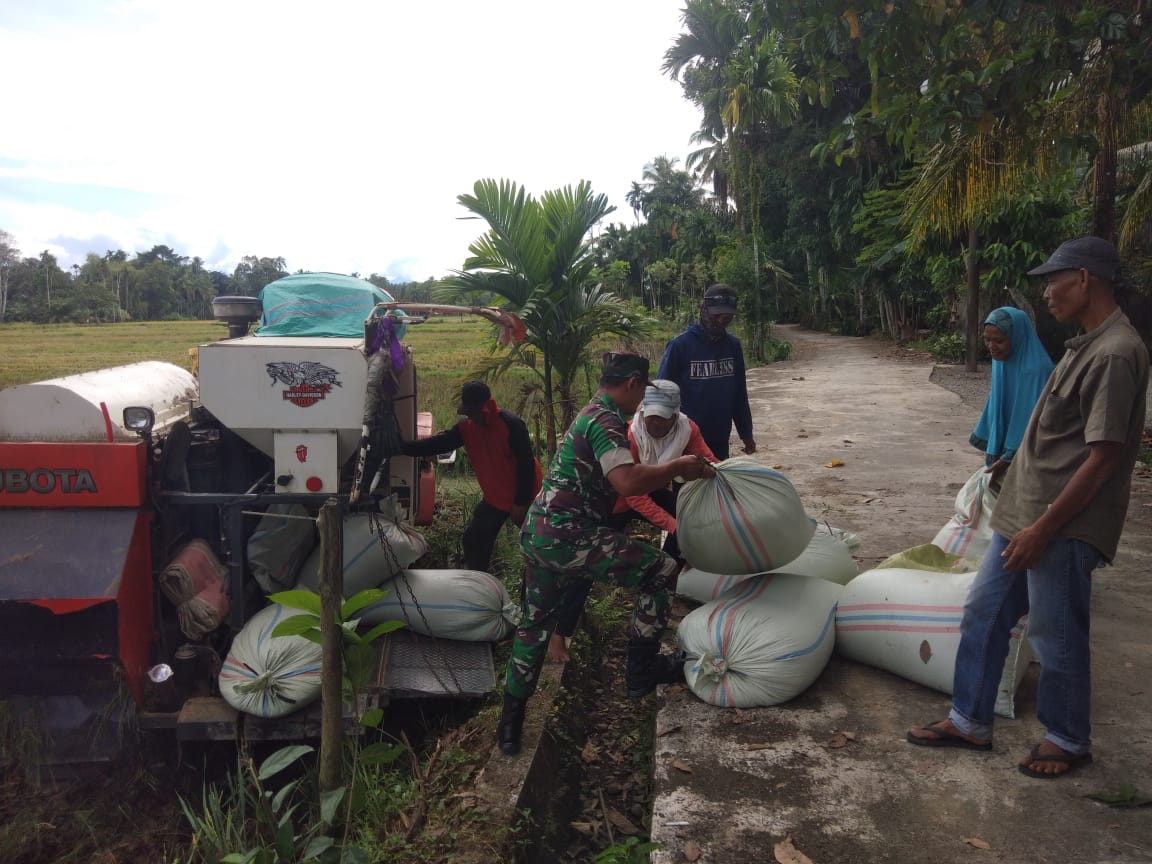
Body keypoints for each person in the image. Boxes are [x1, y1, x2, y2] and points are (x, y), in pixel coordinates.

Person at [907, 236, 1149, 779]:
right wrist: (1011, 465)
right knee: (984, 612)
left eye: (1053, 280)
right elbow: (1056, 435)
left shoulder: (1115, 352)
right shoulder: (1084, 343)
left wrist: (1043, 528)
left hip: (1060, 525)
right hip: (1024, 515)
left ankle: (1067, 738)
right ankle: (968, 720)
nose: (1047, 293)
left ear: (1084, 278)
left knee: (1055, 633)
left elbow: (1103, 457)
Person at [497, 352, 717, 755]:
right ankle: (641, 672)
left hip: (539, 533)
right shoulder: (607, 421)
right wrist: (679, 466)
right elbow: (627, 482)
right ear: (633, 383)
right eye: (642, 392)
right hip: (568, 535)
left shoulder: (589, 413)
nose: (641, 404)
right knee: (662, 568)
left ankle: (510, 725)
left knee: (534, 625)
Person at [546, 379, 718, 663]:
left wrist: (720, 475)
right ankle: (559, 635)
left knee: (689, 518)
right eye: (650, 417)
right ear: (642, 411)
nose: (655, 425)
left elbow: (707, 460)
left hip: (649, 487)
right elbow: (634, 496)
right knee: (584, 570)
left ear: (675, 415)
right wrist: (672, 525)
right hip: (615, 500)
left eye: (662, 420)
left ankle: (665, 581)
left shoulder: (687, 429)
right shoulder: (630, 434)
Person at [400, 380, 541, 573]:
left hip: (527, 495)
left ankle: (542, 582)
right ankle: (479, 582)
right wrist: (403, 448)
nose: (470, 417)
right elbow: (439, 444)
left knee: (538, 544)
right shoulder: (467, 428)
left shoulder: (511, 425)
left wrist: (521, 502)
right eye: (467, 414)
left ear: (485, 408)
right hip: (496, 499)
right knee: (473, 540)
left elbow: (527, 467)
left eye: (472, 413)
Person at [657, 282, 757, 460]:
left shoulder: (733, 346)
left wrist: (746, 433)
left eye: (726, 318)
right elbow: (660, 393)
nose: (720, 321)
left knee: (716, 483)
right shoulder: (680, 346)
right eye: (716, 315)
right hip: (685, 438)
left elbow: (739, 393)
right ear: (703, 309)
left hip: (720, 436)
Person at [969, 306, 1054, 485]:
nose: (991, 347)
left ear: (1016, 338)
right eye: (987, 340)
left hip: (1031, 457)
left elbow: (1030, 418)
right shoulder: (1002, 361)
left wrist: (1009, 457)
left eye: (999, 340)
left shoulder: (1037, 371)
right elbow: (998, 403)